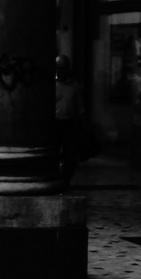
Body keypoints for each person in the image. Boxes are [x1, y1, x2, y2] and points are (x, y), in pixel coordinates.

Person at [55, 55, 83, 185]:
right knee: (54, 153)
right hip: (54, 123)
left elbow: (79, 107)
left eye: (63, 68)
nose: (61, 71)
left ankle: (65, 179)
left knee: (69, 155)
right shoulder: (52, 85)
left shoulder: (74, 86)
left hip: (68, 123)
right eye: (59, 68)